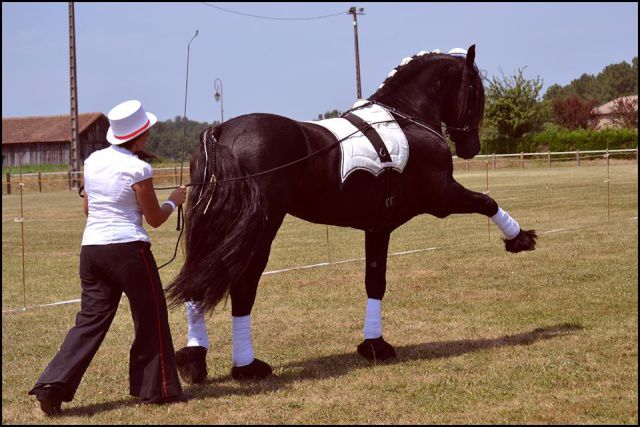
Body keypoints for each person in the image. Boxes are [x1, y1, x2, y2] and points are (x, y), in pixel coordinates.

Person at [28, 100, 188, 415]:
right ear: (138, 137)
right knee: (151, 317)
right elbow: (155, 219)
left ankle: (51, 386)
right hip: (128, 250)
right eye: (147, 132)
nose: (149, 136)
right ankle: (158, 389)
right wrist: (173, 200)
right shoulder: (139, 168)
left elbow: (88, 209)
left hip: (92, 250)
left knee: (90, 321)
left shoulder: (92, 161)